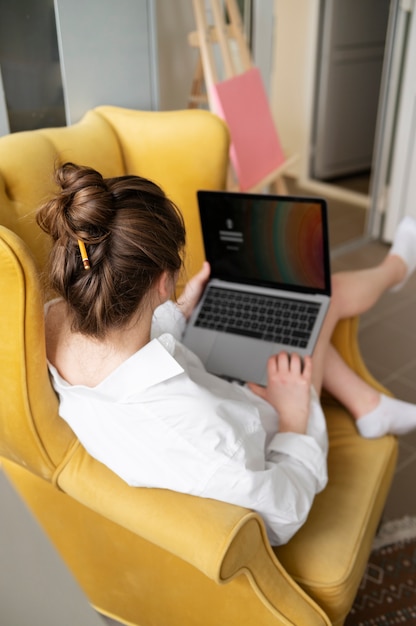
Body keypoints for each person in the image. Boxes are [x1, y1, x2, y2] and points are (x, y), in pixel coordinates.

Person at [37, 162, 416, 546]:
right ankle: (396, 269)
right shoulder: (204, 433)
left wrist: (183, 307)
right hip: (267, 427)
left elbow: (120, 344)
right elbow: (283, 512)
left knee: (302, 309)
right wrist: (293, 419)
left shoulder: (54, 318)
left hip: (194, 378)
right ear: (163, 281)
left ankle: (368, 403)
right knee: (318, 301)